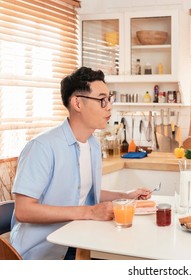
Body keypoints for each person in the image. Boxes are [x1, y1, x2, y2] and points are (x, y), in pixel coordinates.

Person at [10, 67, 152, 260]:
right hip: (41, 253)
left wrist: (125, 196)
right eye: (102, 100)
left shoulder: (93, 144)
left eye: (110, 99)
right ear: (77, 102)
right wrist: (90, 212)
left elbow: (81, 192)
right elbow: (24, 210)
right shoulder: (42, 147)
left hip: (77, 241)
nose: (109, 106)